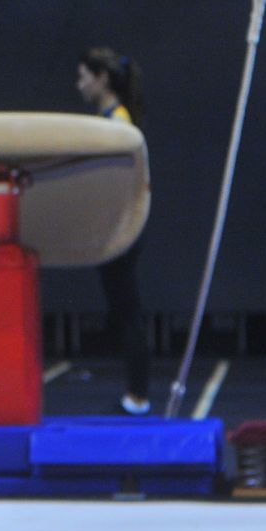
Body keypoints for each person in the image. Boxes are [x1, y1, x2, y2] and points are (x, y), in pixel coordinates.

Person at [75, 46, 150, 415]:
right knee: (123, 310)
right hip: (114, 222)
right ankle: (136, 393)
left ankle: (138, 396)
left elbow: (126, 179)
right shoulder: (109, 118)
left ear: (101, 79)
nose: (80, 85)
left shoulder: (118, 122)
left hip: (122, 225)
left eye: (83, 77)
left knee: (128, 309)